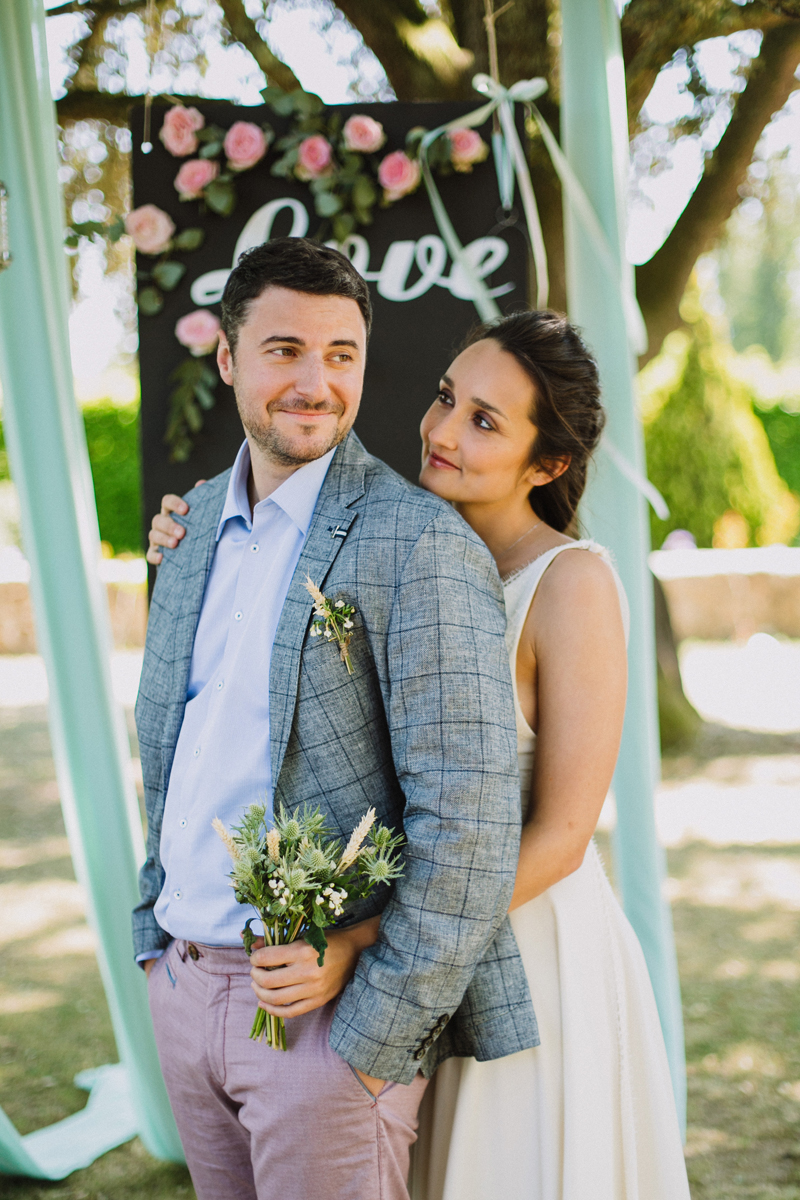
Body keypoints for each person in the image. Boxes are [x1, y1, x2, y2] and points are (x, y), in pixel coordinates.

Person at [150, 306, 691, 1199]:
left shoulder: (571, 584)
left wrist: (364, 939)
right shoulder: (392, 540)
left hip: (523, 945)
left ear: (547, 463)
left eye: (484, 421)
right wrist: (193, 527)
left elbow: (561, 834)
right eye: (446, 398)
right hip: (399, 959)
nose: (440, 431)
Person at [135, 236, 538, 1200]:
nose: (316, 383)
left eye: (341, 354)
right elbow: (179, 745)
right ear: (229, 359)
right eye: (284, 351)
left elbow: (471, 829)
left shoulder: (420, 544)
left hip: (326, 1026)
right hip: (186, 987)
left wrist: (369, 1041)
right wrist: (158, 952)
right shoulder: (186, 529)